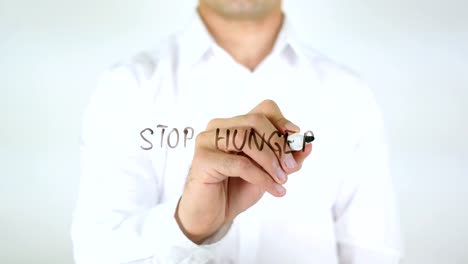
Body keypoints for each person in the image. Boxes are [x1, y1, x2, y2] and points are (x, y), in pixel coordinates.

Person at [71, 0, 401, 263]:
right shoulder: (127, 89)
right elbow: (98, 254)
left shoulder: (349, 96)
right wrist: (189, 226)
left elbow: (374, 255)